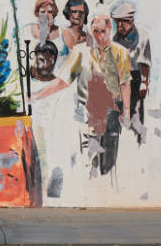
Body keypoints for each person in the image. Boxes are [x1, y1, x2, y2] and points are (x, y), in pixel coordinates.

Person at [30, 12, 132, 179]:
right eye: (95, 31)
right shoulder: (80, 52)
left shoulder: (120, 52)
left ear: (110, 30)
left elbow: (125, 83)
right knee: (89, 160)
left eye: (102, 31)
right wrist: (37, 95)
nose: (99, 36)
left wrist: (126, 111)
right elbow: (63, 80)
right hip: (88, 113)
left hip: (112, 111)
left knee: (109, 161)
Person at [109, 0, 151, 145]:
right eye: (117, 21)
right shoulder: (112, 38)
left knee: (136, 115)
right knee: (116, 113)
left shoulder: (143, 36)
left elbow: (145, 62)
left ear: (132, 20)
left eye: (124, 21)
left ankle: (138, 143)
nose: (120, 25)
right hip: (117, 79)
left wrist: (145, 83)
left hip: (135, 77)